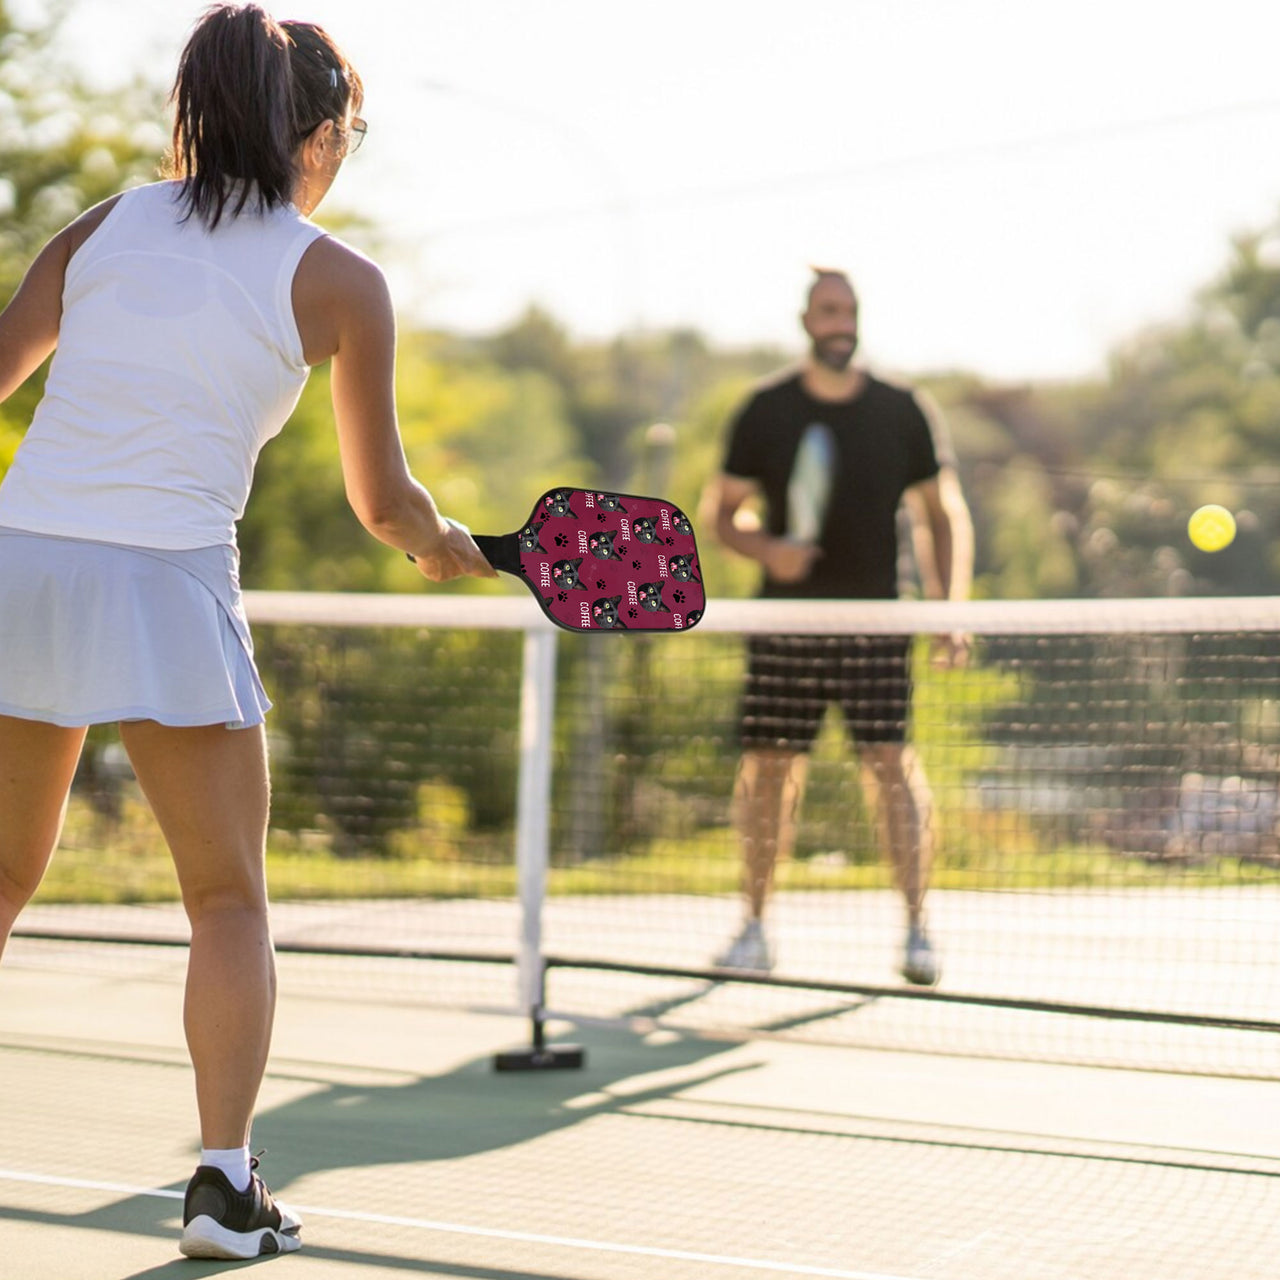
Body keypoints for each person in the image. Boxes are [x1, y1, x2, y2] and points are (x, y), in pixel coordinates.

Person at [0, 4, 493, 1260]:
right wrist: (438, 539)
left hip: (23, 563)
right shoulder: (342, 281)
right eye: (353, 133)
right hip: (168, 582)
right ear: (317, 137)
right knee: (225, 899)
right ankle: (224, 1183)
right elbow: (381, 503)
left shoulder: (105, 223)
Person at [701, 268, 972, 986]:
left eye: (849, 311)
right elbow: (721, 512)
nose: (839, 323)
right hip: (785, 623)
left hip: (876, 622)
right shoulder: (764, 409)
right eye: (828, 311)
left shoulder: (902, 408)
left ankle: (918, 932)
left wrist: (951, 610)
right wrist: (767, 550)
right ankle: (753, 929)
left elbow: (941, 513)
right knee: (767, 772)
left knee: (892, 768)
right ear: (806, 320)